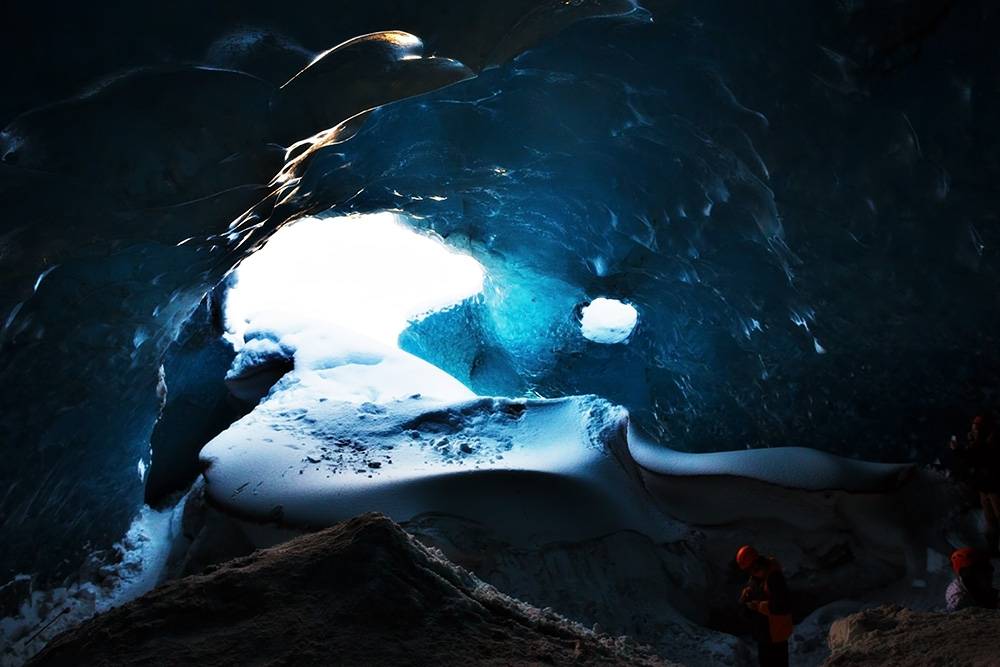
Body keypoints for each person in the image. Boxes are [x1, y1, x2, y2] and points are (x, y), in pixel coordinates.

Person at [949, 415, 1000, 556]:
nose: (974, 431)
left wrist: (961, 449)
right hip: (987, 486)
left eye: (976, 428)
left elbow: (978, 457)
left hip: (993, 487)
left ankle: (994, 548)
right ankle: (993, 549)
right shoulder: (983, 441)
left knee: (995, 518)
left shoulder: (992, 442)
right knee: (991, 520)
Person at [736, 545, 794, 667]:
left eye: (751, 569)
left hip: (776, 635)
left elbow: (783, 605)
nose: (751, 572)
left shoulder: (774, 577)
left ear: (756, 564)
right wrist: (745, 598)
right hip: (764, 634)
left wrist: (758, 606)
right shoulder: (756, 577)